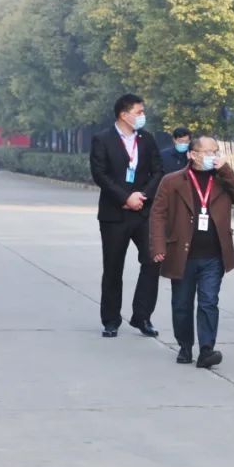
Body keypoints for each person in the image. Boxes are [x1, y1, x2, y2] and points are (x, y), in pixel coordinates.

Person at [149, 136, 234, 368]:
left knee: (209, 302)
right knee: (182, 305)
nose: (212, 156)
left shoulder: (222, 179)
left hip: (214, 255)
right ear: (192, 154)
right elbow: (158, 215)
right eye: (207, 152)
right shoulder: (173, 181)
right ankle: (185, 346)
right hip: (183, 254)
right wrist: (158, 246)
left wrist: (226, 170)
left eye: (216, 151)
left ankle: (207, 350)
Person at [89, 93, 164, 338]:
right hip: (115, 214)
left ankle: (142, 316)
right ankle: (111, 319)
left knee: (153, 260)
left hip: (143, 212)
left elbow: (158, 171)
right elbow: (100, 174)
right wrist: (125, 198)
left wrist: (143, 196)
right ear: (123, 114)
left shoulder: (147, 139)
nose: (143, 116)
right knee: (113, 267)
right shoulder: (102, 139)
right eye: (138, 112)